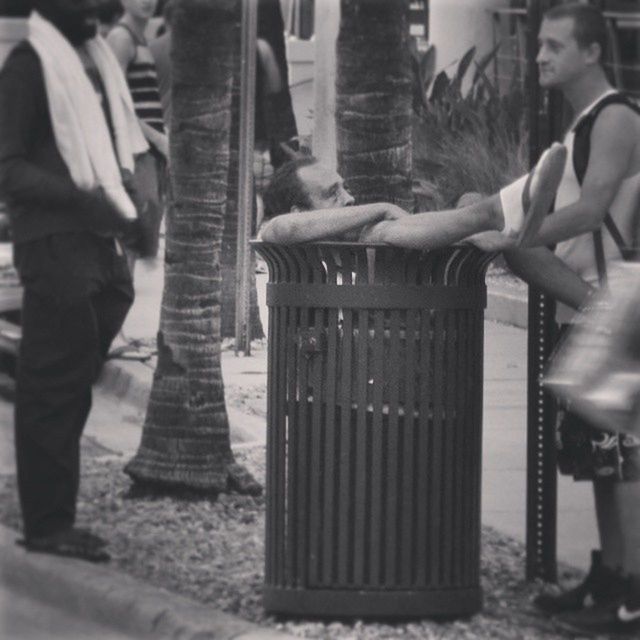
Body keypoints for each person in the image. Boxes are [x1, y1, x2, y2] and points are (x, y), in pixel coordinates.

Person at [499, 4, 640, 635]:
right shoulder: (582, 121)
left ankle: (632, 593)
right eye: (538, 46)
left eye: (555, 45)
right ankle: (610, 579)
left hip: (623, 302)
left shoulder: (615, 116)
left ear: (591, 51)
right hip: (598, 303)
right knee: (603, 458)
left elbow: (590, 211)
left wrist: (514, 234)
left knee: (627, 459)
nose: (539, 57)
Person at [0, 0, 152, 562]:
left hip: (99, 246)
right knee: (52, 387)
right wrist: (82, 201)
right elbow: (8, 166)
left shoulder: (92, 62)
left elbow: (116, 147)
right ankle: (47, 524)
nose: (97, 12)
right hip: (54, 244)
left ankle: (53, 519)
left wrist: (132, 208)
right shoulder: (27, 64)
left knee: (69, 387)